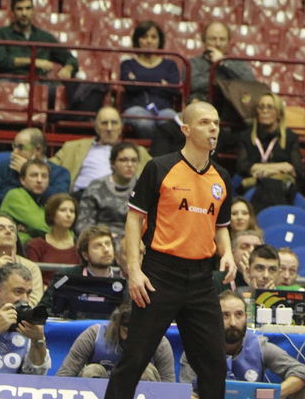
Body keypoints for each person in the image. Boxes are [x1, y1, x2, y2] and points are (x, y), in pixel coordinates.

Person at [103, 102, 236, 399]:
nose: (213, 128)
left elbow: (222, 225)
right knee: (134, 359)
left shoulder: (222, 177)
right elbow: (135, 219)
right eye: (204, 122)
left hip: (202, 279)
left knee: (214, 366)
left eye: (216, 122)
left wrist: (226, 252)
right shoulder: (160, 167)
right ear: (186, 130)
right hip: (159, 275)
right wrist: (134, 270)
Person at [181, 290, 305, 399]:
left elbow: (302, 372)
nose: (233, 322)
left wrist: (273, 395)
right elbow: (185, 393)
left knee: (304, 389)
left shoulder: (259, 346)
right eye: (225, 315)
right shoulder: (195, 349)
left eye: (239, 315)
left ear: (246, 317)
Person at [57, 300, 174, 380]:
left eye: (139, 332)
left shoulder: (159, 343)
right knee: (92, 370)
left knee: (147, 371)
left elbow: (170, 388)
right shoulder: (94, 335)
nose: (133, 338)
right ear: (117, 325)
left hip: (143, 391)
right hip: (99, 390)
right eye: (128, 332)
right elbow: (63, 376)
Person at [53, 107, 151, 196]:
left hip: (123, 200)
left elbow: (158, 176)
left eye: (114, 123)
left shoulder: (139, 152)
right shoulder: (72, 147)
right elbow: (47, 166)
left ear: (121, 127)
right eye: (104, 123)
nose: (109, 128)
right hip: (83, 196)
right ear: (96, 127)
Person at [237, 93, 304, 212]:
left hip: (281, 186)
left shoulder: (290, 137)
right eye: (261, 107)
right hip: (254, 185)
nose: (264, 111)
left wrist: (261, 169)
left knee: (273, 186)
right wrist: (282, 166)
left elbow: (298, 170)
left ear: (278, 113)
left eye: (269, 107)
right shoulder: (246, 136)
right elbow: (241, 166)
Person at [120, 21, 183, 140]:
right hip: (136, 108)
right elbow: (130, 87)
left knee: (173, 121)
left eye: (153, 37)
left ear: (159, 41)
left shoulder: (170, 65)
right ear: (137, 40)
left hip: (164, 110)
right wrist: (160, 82)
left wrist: (138, 80)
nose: (149, 41)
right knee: (144, 123)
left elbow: (174, 90)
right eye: (144, 37)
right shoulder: (127, 64)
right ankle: (155, 154)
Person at [0, 0, 79, 78]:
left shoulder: (45, 38)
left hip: (39, 86)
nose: (24, 13)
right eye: (19, 9)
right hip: (8, 84)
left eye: (28, 8)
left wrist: (68, 69)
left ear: (33, 11)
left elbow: (71, 59)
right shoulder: (0, 34)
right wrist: (34, 62)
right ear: (12, 13)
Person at [77, 142, 143, 240]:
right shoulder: (96, 187)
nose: (129, 165)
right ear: (112, 163)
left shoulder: (143, 187)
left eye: (134, 160)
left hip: (134, 241)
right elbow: (83, 223)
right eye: (123, 160)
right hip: (101, 240)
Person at [0, 261, 50, 375]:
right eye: (18, 292)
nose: (25, 299)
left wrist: (38, 341)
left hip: (14, 391)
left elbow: (37, 375)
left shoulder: (27, 323)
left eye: (28, 293)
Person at [0, 128, 70, 205]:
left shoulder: (60, 173)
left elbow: (57, 203)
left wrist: (26, 171)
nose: (15, 152)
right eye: (14, 146)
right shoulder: (5, 166)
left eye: (20, 147)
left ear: (38, 149)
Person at [190, 21, 257, 102]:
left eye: (222, 39)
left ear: (228, 43)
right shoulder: (193, 63)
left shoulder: (238, 63)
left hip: (232, 105)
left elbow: (249, 82)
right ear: (204, 42)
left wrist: (222, 63)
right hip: (204, 105)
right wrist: (227, 82)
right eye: (213, 39)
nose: (218, 44)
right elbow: (193, 85)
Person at [25, 193, 79, 279]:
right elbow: (31, 278)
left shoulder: (80, 246)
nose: (69, 215)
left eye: (72, 211)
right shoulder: (35, 245)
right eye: (63, 210)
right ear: (52, 213)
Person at [0, 159, 52, 245]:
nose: (39, 180)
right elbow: (39, 225)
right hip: (16, 249)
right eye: (34, 175)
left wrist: (28, 229)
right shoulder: (15, 195)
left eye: (44, 176)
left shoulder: (46, 201)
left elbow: (65, 229)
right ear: (22, 180)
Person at [0, 214, 43, 304]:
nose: (8, 231)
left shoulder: (30, 267)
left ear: (16, 238)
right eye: (0, 228)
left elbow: (33, 303)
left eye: (12, 229)